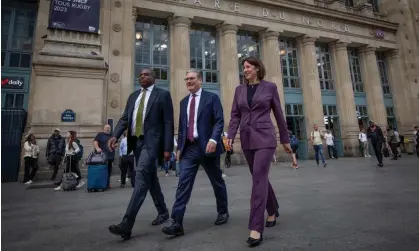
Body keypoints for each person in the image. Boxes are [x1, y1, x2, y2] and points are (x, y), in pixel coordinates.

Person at [226, 57, 292, 247]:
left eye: (247, 67)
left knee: (258, 179)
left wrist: (285, 139)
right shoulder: (239, 90)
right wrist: (231, 135)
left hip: (265, 138)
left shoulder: (269, 87)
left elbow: (279, 114)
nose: (245, 70)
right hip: (247, 138)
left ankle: (256, 227)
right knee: (259, 176)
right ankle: (272, 209)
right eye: (244, 67)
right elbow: (235, 114)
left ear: (256, 68)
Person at [107, 68, 174, 240]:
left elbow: (168, 122)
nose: (142, 76)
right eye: (141, 75)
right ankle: (163, 211)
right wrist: (114, 135)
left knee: (141, 177)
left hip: (152, 144)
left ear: (154, 78)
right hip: (136, 143)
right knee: (151, 178)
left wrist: (168, 148)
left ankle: (126, 224)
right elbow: (124, 119)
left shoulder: (163, 95)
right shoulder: (133, 96)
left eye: (146, 75)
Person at [162, 69, 228, 237]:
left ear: (200, 80)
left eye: (191, 78)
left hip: (207, 147)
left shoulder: (211, 98)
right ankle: (176, 222)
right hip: (189, 149)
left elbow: (219, 121)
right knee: (183, 183)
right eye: (186, 79)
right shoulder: (184, 102)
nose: (188, 81)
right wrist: (179, 148)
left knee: (217, 181)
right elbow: (182, 127)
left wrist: (214, 140)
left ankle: (223, 211)